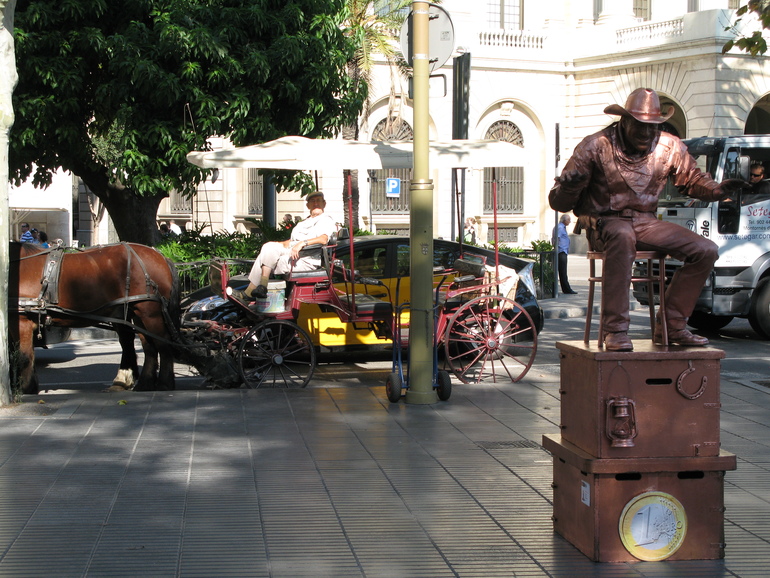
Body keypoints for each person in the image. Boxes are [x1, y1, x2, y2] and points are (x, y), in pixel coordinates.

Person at [549, 88, 748, 352]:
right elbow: (558, 202)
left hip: (646, 222)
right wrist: (570, 188)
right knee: (622, 235)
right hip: (604, 222)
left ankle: (672, 325)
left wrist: (717, 191)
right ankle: (616, 330)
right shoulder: (595, 145)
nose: (646, 134)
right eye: (640, 126)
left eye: (652, 127)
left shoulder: (669, 145)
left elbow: (692, 180)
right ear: (625, 120)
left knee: (705, 250)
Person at [238, 191, 337, 300]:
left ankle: (251, 291)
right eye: (312, 201)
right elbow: (291, 241)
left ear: (324, 204)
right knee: (267, 247)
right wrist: (275, 245)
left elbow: (323, 239)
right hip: (293, 252)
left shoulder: (325, 220)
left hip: (307, 258)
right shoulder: (304, 222)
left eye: (318, 200)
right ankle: (261, 287)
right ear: (307, 205)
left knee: (272, 260)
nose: (316, 203)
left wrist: (302, 243)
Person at [553, 214, 577, 295]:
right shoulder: (560, 227)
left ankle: (565, 289)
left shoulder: (561, 227)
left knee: (562, 271)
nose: (570, 222)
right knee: (563, 271)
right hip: (561, 251)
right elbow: (557, 238)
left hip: (562, 251)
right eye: (568, 220)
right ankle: (567, 289)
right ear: (564, 220)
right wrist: (557, 247)